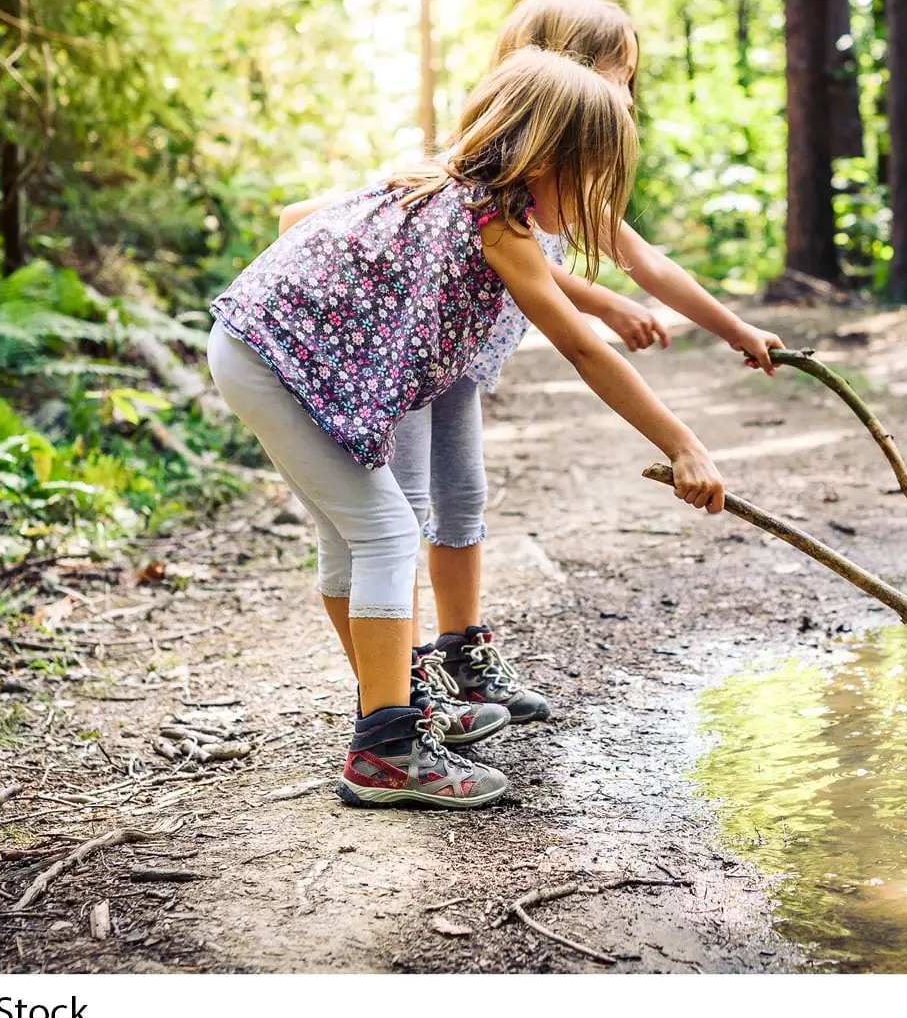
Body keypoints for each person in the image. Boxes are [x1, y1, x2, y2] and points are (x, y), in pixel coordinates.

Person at [207, 46, 725, 809]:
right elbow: (583, 347)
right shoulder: (497, 224)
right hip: (277, 359)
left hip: (258, 349)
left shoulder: (454, 189)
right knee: (386, 533)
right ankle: (384, 752)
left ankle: (395, 715)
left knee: (355, 538)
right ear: (546, 158)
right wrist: (683, 443)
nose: (587, 203)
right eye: (586, 180)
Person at [277, 0, 782, 726]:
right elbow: (303, 219)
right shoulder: (469, 176)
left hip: (460, 364)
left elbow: (645, 265)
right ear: (563, 71)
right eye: (620, 75)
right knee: (405, 510)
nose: (627, 98)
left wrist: (734, 327)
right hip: (408, 358)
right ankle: (404, 678)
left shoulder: (567, 180)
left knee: (464, 496)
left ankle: (462, 649)